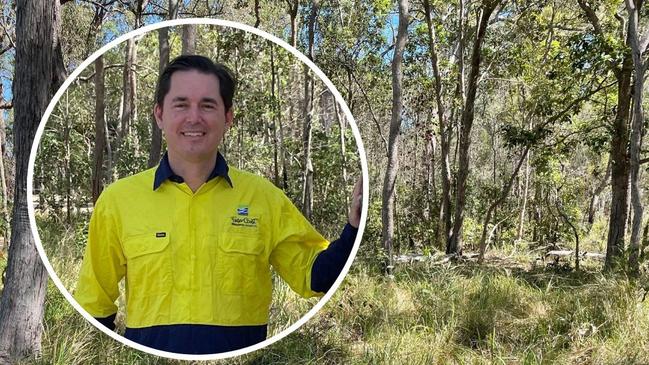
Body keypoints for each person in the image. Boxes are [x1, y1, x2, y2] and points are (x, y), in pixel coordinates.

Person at [74, 55, 362, 355]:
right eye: (181, 104)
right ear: (159, 115)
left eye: (208, 105)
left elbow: (314, 276)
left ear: (228, 118)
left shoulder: (263, 198)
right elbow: (95, 304)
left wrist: (354, 226)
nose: (194, 117)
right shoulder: (118, 201)